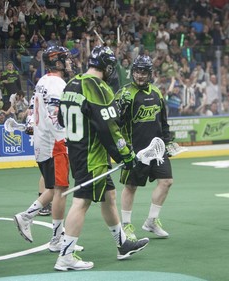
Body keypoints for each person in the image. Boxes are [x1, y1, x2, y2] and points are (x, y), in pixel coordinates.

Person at [54, 45, 149, 271]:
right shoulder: (98, 87)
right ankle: (66, 255)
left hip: (77, 150)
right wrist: (124, 155)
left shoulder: (71, 84)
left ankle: (122, 244)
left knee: (109, 195)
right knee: (82, 201)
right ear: (106, 67)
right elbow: (108, 128)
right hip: (91, 155)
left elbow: (61, 119)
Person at [13, 46, 82, 252]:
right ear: (58, 62)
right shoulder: (57, 84)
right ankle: (39, 227)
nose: (70, 63)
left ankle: (44, 229)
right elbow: (55, 117)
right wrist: (67, 140)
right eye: (66, 59)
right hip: (55, 145)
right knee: (61, 191)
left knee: (54, 190)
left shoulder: (42, 81)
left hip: (44, 144)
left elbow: (35, 111)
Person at [115, 55, 173, 240]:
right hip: (135, 151)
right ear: (132, 72)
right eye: (137, 71)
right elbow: (114, 124)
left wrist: (168, 141)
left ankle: (152, 221)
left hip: (157, 148)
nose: (140, 76)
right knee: (131, 186)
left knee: (166, 181)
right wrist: (124, 149)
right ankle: (126, 225)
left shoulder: (157, 93)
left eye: (144, 72)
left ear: (150, 74)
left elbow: (163, 121)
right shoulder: (125, 94)